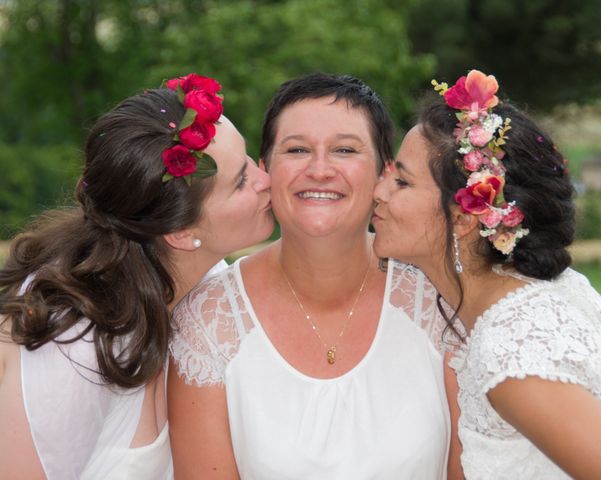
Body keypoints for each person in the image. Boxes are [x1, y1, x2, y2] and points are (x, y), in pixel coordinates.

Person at [168, 72, 455, 479]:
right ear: (266, 169)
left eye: (344, 150)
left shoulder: (438, 297)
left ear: (383, 172)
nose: (319, 170)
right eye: (298, 149)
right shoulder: (208, 322)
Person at [0, 73, 273, 479]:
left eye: (249, 160)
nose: (265, 179)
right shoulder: (72, 342)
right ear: (181, 232)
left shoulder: (207, 283)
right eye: (240, 183)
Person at [372, 69, 601, 479]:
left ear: (463, 217)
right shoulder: (565, 292)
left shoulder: (515, 349)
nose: (378, 191)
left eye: (402, 182)